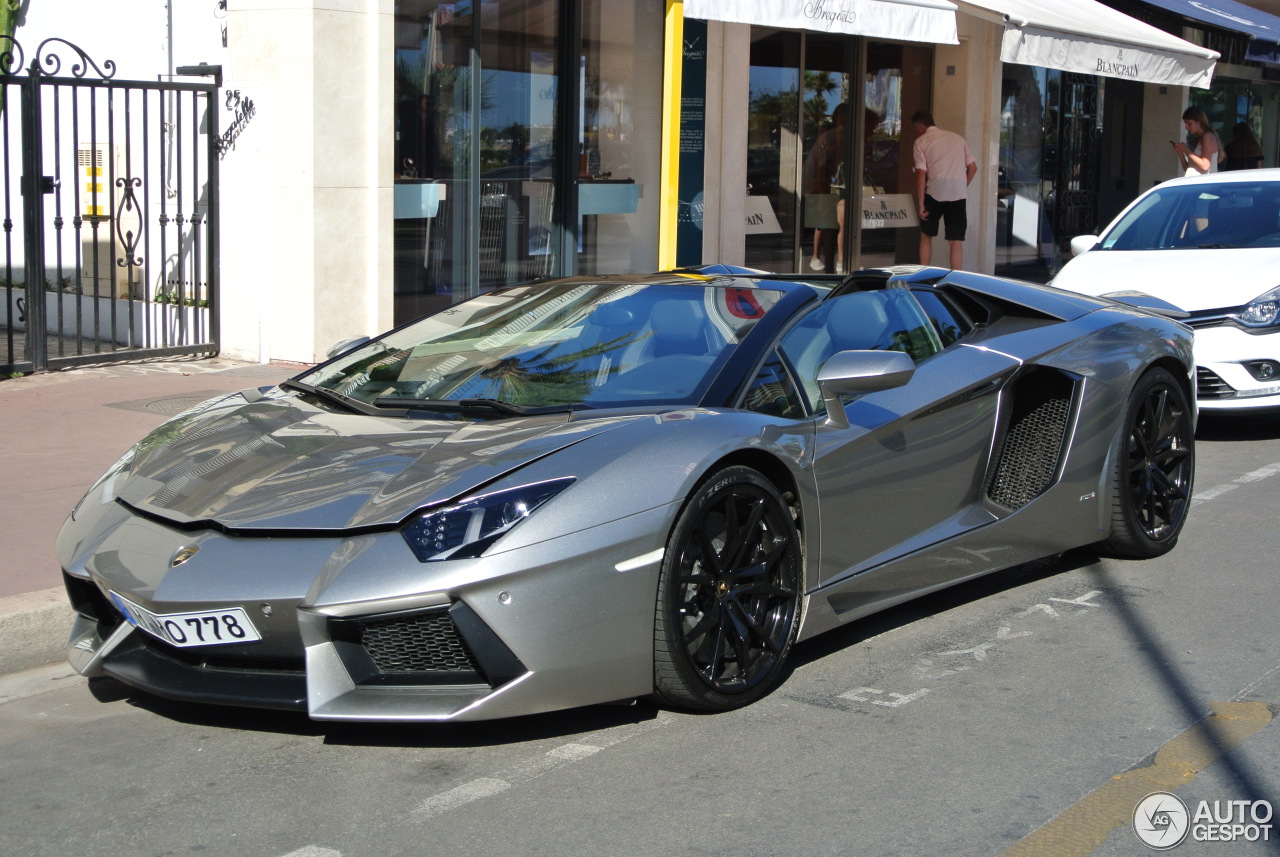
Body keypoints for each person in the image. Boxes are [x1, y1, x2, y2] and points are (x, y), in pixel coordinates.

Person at [911, 110, 976, 270]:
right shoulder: (958, 138)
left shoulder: (921, 141)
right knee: (955, 241)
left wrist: (920, 204)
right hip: (957, 194)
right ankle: (955, 279)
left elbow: (920, 173)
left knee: (926, 235)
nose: (916, 132)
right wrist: (962, 185)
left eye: (915, 129)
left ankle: (922, 272)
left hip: (935, 191)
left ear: (920, 125)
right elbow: (973, 167)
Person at [803, 103, 846, 272]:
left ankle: (840, 261)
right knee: (823, 222)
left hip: (832, 184)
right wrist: (822, 192)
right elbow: (820, 167)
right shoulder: (832, 136)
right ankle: (816, 256)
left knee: (837, 222)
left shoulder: (839, 136)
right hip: (820, 183)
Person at [1172, 107, 1219, 176]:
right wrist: (1181, 153)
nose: (1186, 127)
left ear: (1199, 122)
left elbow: (1205, 166)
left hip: (1204, 184)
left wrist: (1187, 150)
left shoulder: (1207, 136)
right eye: (1186, 124)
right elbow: (1189, 169)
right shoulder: (1197, 139)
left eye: (1189, 124)